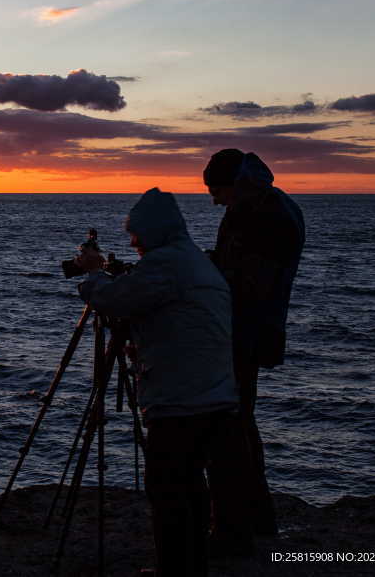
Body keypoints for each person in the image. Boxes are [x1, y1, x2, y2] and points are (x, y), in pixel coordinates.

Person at [75, 188, 237, 577]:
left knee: (168, 489)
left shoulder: (166, 264)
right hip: (212, 392)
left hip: (183, 399)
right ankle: (189, 565)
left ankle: (175, 569)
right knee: (190, 486)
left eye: (137, 237)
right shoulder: (191, 260)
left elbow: (112, 300)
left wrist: (93, 271)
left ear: (152, 233)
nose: (134, 246)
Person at [203, 149, 305, 542]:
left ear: (238, 184)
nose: (214, 201)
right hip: (248, 330)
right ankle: (254, 522)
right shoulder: (265, 206)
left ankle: (234, 528)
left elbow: (247, 284)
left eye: (217, 191)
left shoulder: (264, 215)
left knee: (228, 428)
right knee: (240, 423)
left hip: (242, 333)